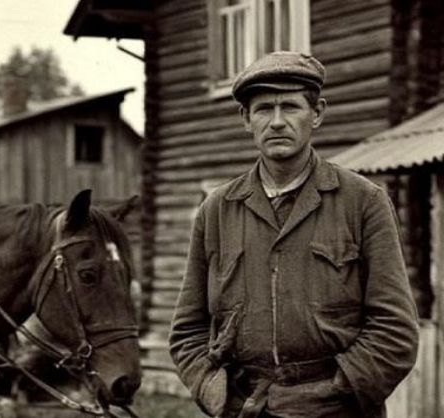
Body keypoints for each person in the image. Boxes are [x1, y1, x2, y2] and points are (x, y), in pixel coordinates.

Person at [169, 51, 419, 418]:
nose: (277, 122)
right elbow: (187, 330)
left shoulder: (363, 201)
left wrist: (329, 393)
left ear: (316, 114)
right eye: (263, 109)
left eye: (290, 107)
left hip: (337, 410)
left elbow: (395, 331)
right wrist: (213, 391)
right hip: (244, 409)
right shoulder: (217, 210)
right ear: (246, 118)